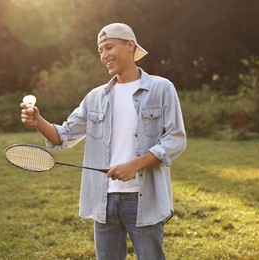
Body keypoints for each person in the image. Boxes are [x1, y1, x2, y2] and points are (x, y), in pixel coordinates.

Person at [20, 23, 186, 260]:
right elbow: (63, 135)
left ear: (130, 46)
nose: (104, 55)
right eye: (100, 51)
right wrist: (39, 121)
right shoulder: (95, 97)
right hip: (103, 201)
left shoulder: (161, 88)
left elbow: (175, 140)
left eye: (109, 47)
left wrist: (134, 165)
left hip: (144, 199)